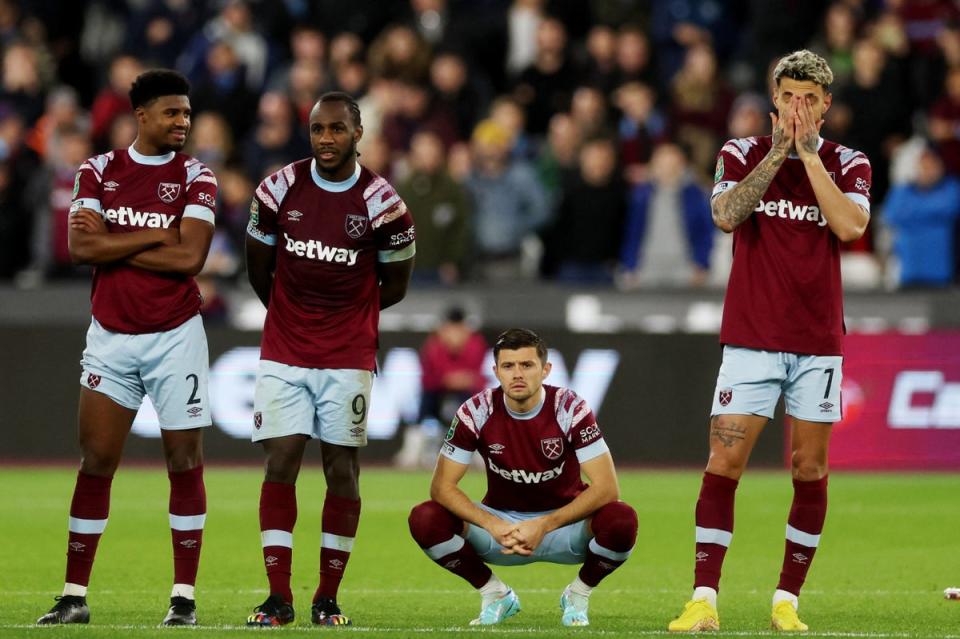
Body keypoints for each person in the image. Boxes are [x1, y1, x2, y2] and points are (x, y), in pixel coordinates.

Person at [667, 50, 871, 633]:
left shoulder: (848, 162)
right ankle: (704, 598)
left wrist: (808, 159)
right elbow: (727, 215)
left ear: (826, 105)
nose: (797, 107)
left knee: (809, 468)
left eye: (809, 99)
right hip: (752, 338)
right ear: (773, 97)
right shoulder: (742, 152)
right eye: (788, 96)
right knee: (724, 460)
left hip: (817, 341)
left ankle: (787, 601)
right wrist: (781, 149)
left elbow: (851, 226)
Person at [36, 69, 218, 626]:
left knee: (184, 463)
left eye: (187, 113)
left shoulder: (197, 177)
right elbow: (77, 246)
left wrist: (112, 244)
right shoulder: (98, 169)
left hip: (175, 337)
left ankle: (183, 600)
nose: (183, 122)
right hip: (111, 338)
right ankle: (73, 597)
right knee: (96, 462)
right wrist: (155, 234)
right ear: (142, 116)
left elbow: (190, 260)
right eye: (172, 113)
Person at [244, 91, 415, 627]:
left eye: (337, 129)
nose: (326, 139)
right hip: (285, 350)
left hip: (347, 355)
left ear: (358, 133)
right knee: (282, 460)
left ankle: (326, 597)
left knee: (342, 468)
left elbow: (396, 285)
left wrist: (348, 317)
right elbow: (258, 270)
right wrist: (294, 318)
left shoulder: (384, 203)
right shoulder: (277, 189)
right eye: (318, 129)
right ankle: (278, 597)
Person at [408, 328, 638, 627]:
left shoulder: (570, 408)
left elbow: (608, 488)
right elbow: (441, 487)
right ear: (495, 371)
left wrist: (543, 525)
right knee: (425, 518)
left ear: (546, 370)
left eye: (527, 365)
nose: (517, 374)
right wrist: (494, 524)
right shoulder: (475, 411)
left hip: (564, 526)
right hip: (501, 528)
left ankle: (578, 595)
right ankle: (495, 593)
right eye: (508, 366)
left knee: (622, 520)